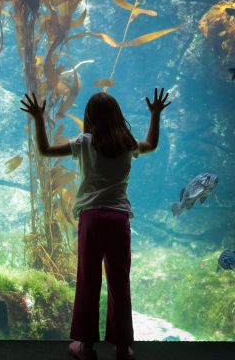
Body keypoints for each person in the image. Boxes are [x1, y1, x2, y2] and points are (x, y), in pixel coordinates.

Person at [20, 88, 171, 360]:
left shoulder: (83, 142)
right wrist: (156, 115)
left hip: (91, 219)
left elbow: (44, 150)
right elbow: (153, 144)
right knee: (119, 281)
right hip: (118, 218)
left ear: (89, 116)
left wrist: (38, 118)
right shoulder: (127, 142)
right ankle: (123, 347)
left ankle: (85, 346)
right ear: (117, 116)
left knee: (88, 280)